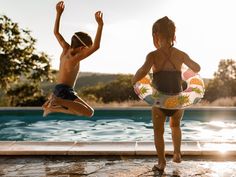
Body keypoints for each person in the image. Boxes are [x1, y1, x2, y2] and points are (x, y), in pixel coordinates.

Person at [132, 16, 200, 171]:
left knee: (158, 131)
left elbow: (143, 71)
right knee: (175, 126)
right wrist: (190, 69)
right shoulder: (181, 54)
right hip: (178, 100)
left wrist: (133, 80)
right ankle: (177, 153)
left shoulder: (153, 55)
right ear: (174, 36)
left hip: (159, 101)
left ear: (155, 36)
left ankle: (161, 162)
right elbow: (197, 67)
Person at [42, 1, 104, 117]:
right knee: (89, 112)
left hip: (59, 89)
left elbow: (56, 32)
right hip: (65, 90)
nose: (87, 51)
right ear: (81, 48)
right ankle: (56, 101)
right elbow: (96, 46)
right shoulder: (75, 58)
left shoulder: (65, 49)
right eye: (87, 49)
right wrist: (100, 25)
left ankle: (53, 106)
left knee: (78, 111)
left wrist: (59, 13)